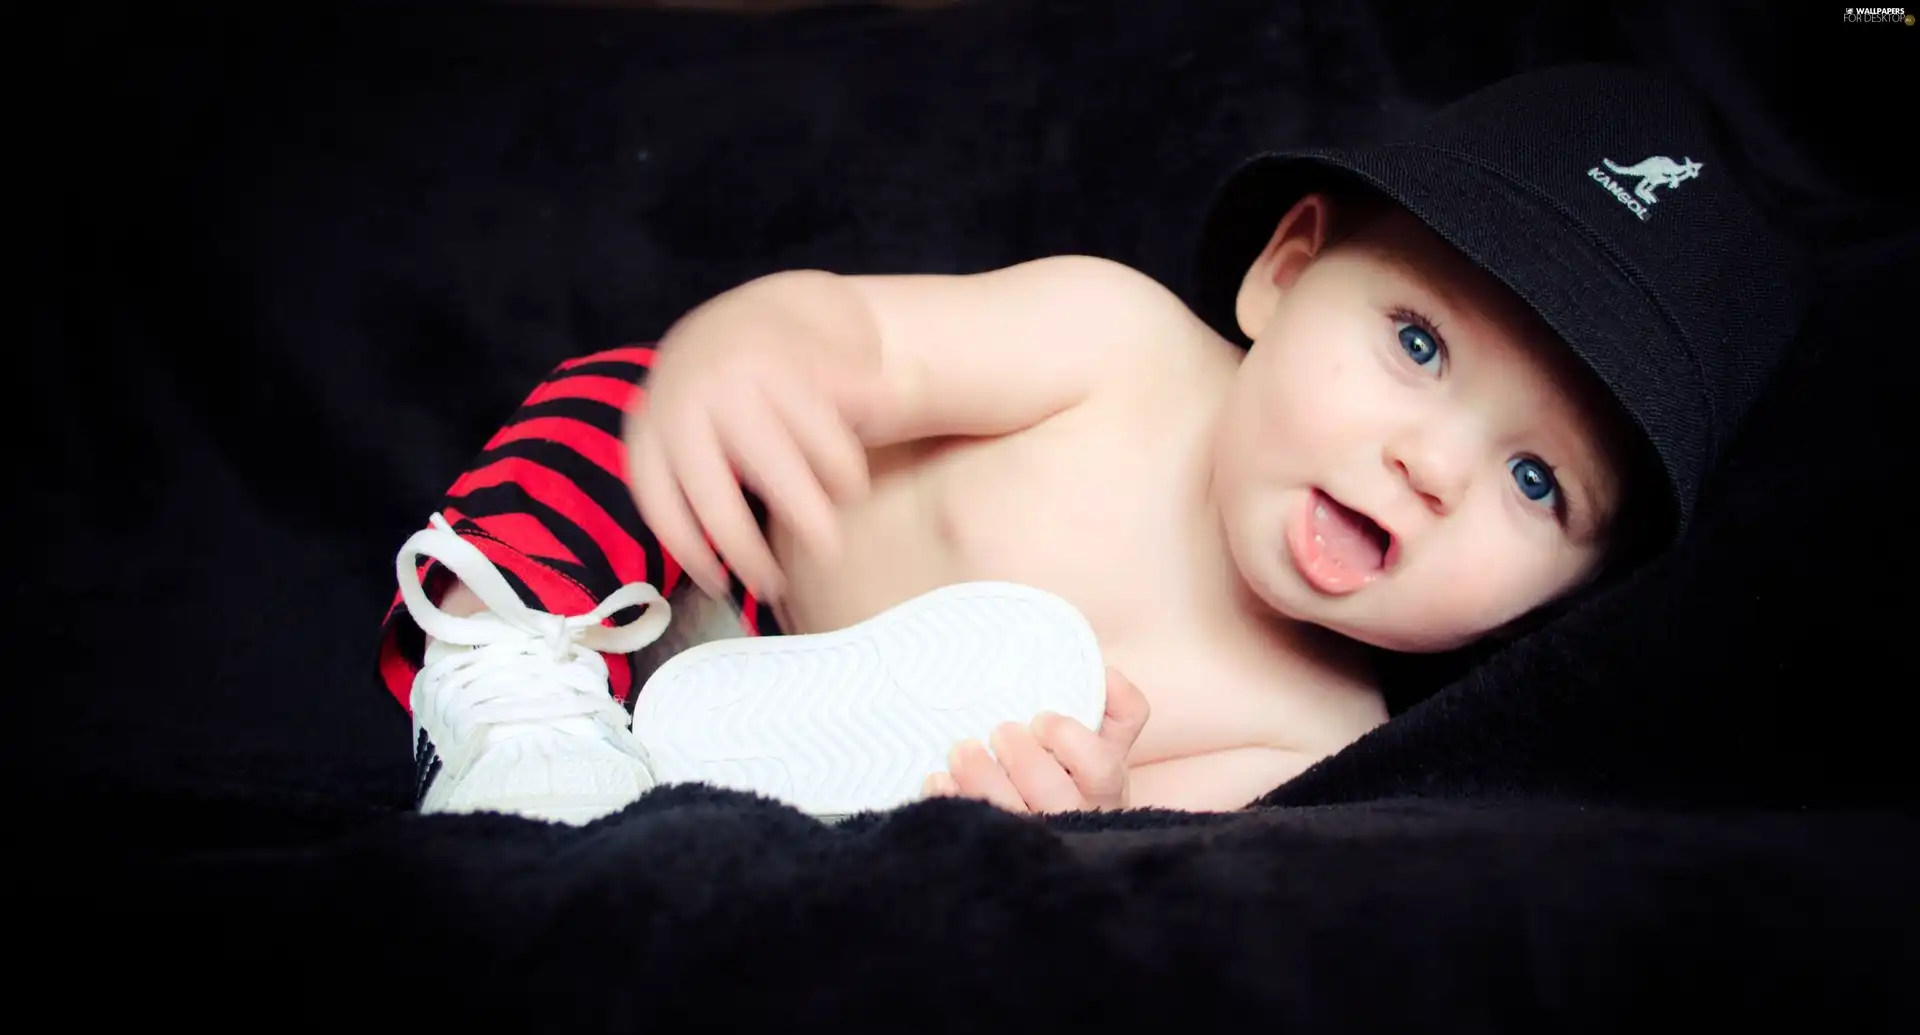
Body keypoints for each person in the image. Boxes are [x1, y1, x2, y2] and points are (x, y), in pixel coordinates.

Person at [379, 62, 1801, 824]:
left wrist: (1071, 806)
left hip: (817, 753)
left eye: (1536, 482)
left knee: (978, 818)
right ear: (1286, 277)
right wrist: (763, 343)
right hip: (733, 549)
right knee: (630, 405)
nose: (1431, 466)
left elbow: (1135, 847)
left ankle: (700, 798)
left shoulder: (1311, 734)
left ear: (1570, 600)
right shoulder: (1116, 342)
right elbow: (866, 349)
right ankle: (512, 675)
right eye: (1419, 345)